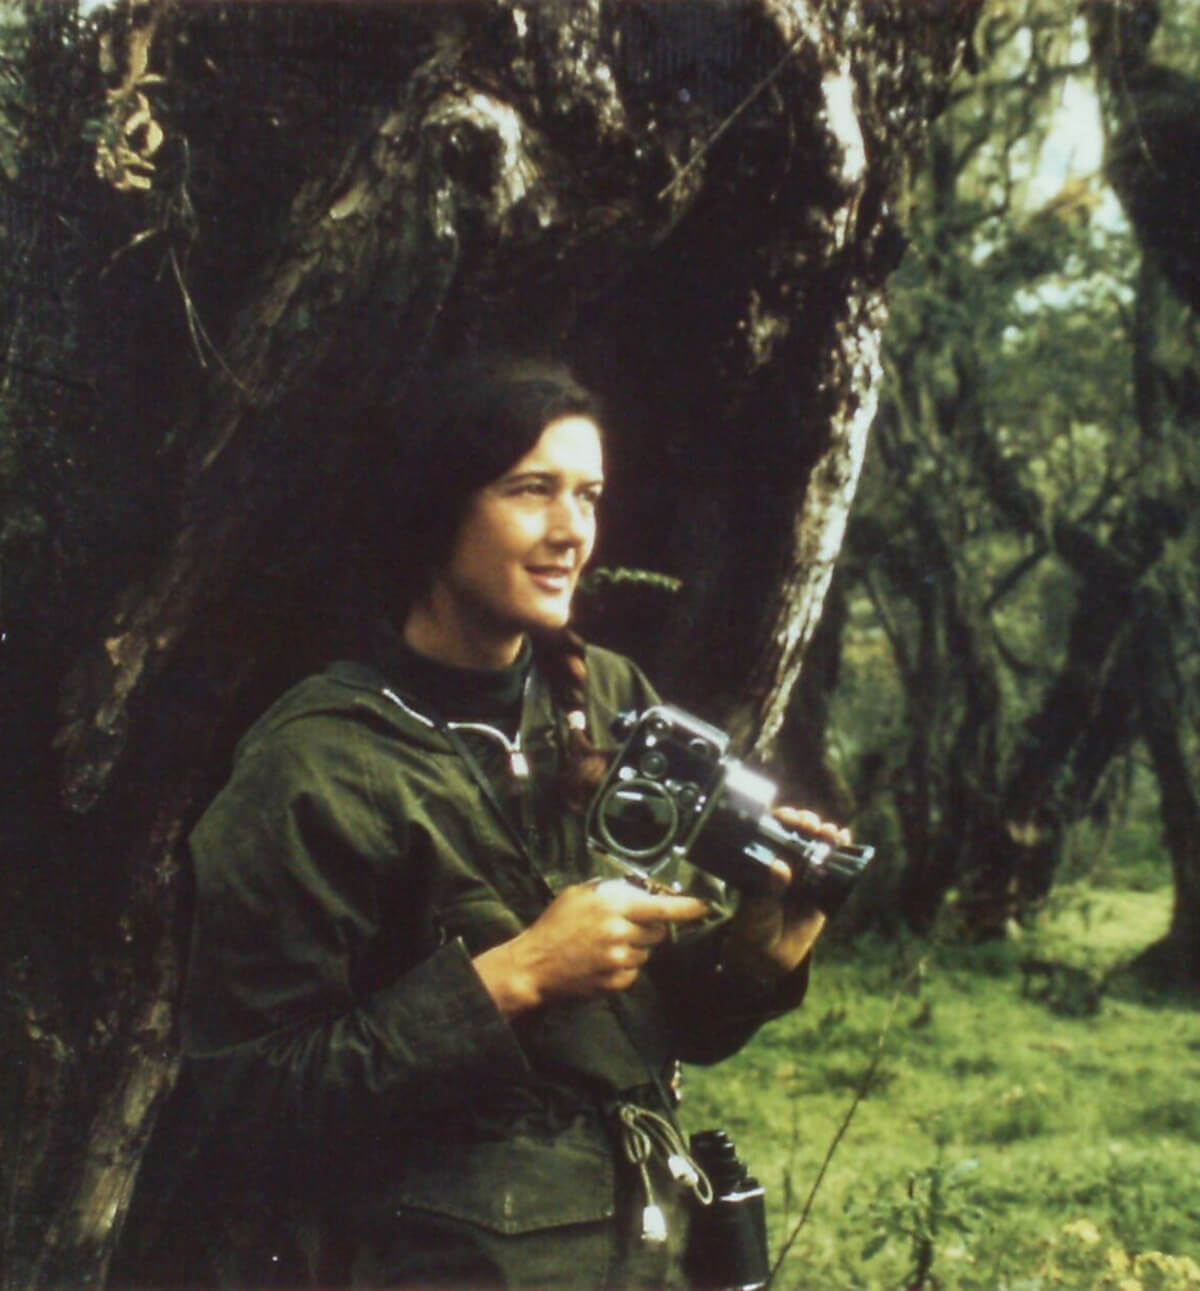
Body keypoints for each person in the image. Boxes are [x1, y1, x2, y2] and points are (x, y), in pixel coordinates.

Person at [177, 357, 845, 1290]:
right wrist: (512, 979)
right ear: (436, 507)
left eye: (589, 494)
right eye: (531, 491)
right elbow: (242, 1103)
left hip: (647, 1253)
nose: (572, 530)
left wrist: (757, 955)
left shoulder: (611, 702)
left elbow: (641, 1028)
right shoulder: (314, 765)